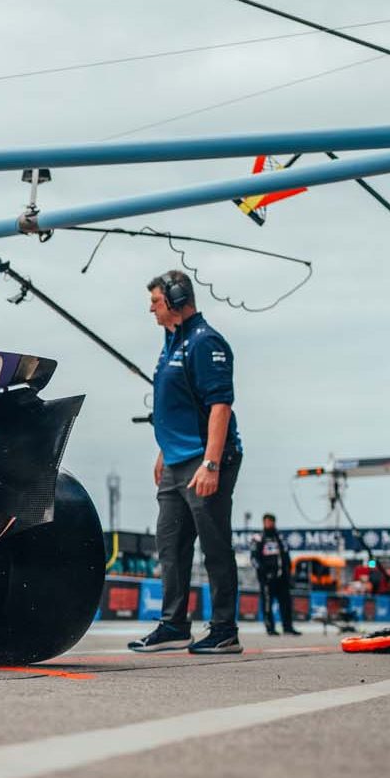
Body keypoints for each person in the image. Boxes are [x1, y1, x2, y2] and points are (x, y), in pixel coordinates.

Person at [129, 270, 245, 655]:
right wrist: (164, 450)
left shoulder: (205, 341)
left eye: (156, 302)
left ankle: (225, 629)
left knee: (214, 545)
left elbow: (219, 405)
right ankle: (174, 625)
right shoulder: (171, 343)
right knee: (170, 546)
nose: (151, 309)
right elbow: (177, 404)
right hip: (176, 462)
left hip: (205, 460)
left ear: (178, 299)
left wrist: (211, 463)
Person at [252, 513, 300, 636]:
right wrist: (263, 574)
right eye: (267, 522)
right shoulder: (258, 538)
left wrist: (289, 574)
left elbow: (286, 557)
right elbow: (254, 559)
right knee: (267, 604)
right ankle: (270, 628)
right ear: (264, 523)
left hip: (282, 578)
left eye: (271, 522)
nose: (269, 524)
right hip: (267, 579)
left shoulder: (280, 538)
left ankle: (288, 627)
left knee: (286, 603)